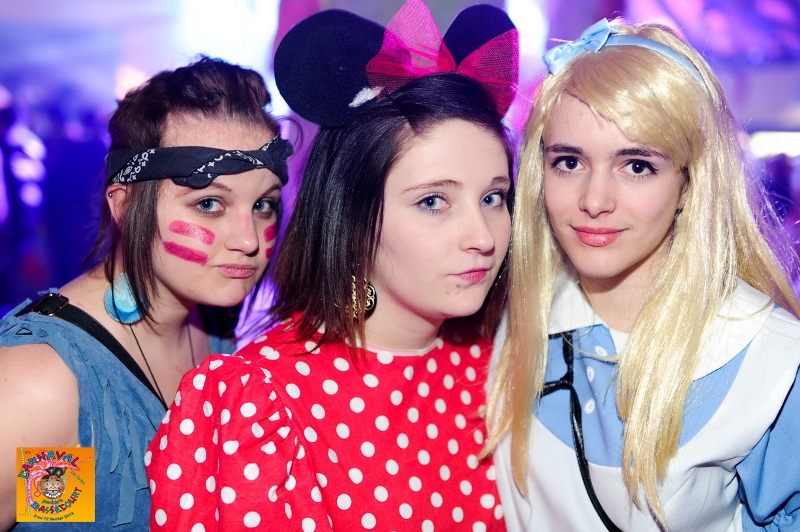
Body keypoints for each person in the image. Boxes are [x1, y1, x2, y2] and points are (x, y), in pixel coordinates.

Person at [146, 1, 518, 529]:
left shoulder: (499, 366)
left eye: (494, 198)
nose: (482, 237)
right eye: (433, 201)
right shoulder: (259, 401)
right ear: (353, 213)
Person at [484, 17, 800, 531]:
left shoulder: (772, 358)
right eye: (569, 162)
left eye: (636, 166)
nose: (594, 201)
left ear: (689, 183)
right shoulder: (515, 313)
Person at [0, 56, 292, 530]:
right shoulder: (45, 383)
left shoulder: (218, 323)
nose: (249, 239)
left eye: (263, 205)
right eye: (209, 203)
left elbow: (59, 511)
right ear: (124, 205)